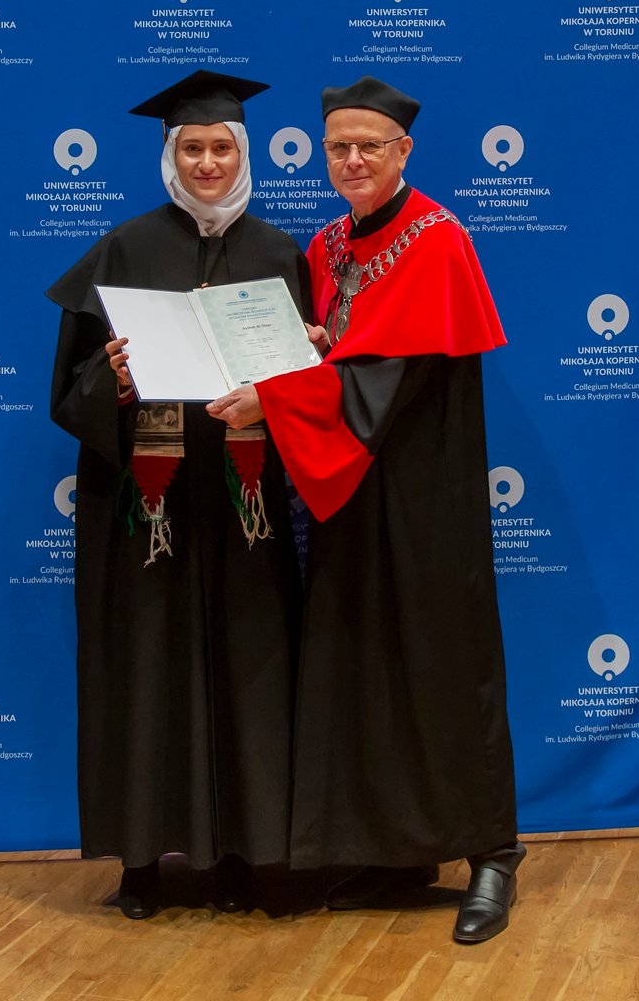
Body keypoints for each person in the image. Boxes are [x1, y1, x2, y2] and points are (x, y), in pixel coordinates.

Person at [207, 75, 525, 943]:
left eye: (368, 146)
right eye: (338, 147)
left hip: (422, 495)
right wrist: (307, 349)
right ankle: (395, 850)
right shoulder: (328, 245)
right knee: (365, 664)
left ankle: (493, 852)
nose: (352, 160)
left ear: (403, 151)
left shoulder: (438, 239)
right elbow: (342, 354)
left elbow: (386, 379)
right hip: (347, 491)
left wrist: (276, 398)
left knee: (442, 661)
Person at [47, 71, 310, 919]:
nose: (206, 162)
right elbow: (68, 391)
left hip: (244, 511)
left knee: (252, 672)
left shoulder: (281, 255)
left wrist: (297, 372)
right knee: (147, 672)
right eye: (191, 147)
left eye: (221, 147)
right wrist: (115, 381)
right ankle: (141, 864)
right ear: (170, 155)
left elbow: (313, 387)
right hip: (148, 513)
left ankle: (244, 856)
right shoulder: (123, 251)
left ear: (244, 153)